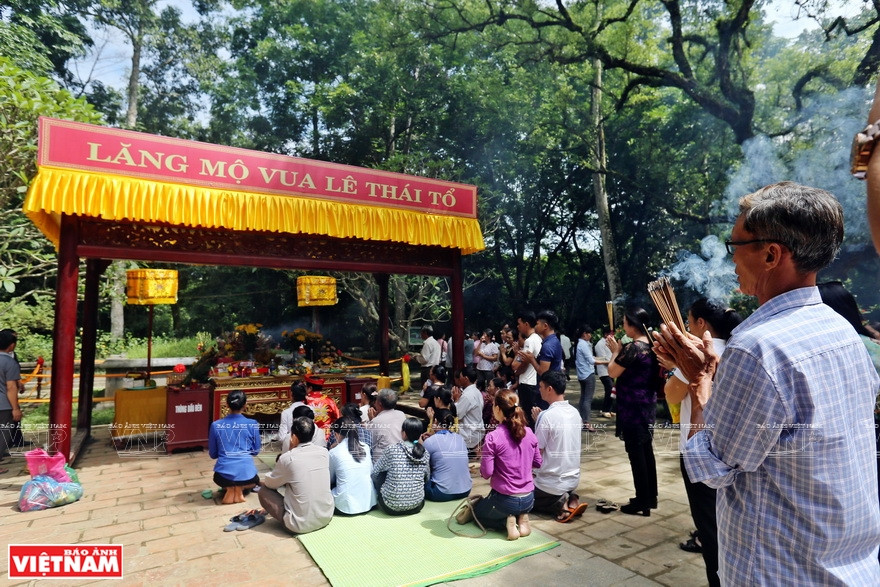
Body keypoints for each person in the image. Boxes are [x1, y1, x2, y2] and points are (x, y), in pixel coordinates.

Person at [654, 182, 880, 584]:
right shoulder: (842, 331)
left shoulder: (757, 348)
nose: (731, 259)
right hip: (847, 565)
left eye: (736, 245)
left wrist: (700, 380)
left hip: (781, 569)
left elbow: (712, 468)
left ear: (772, 254)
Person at [660, 298, 741, 587]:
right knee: (731, 524)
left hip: (701, 451)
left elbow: (670, 395)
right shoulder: (738, 348)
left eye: (689, 320)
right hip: (734, 452)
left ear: (702, 324)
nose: (686, 326)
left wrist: (674, 367)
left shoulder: (695, 355)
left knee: (710, 527)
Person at [460, 388, 541, 540]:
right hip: (529, 498)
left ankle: (506, 521)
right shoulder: (529, 432)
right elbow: (537, 462)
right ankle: (521, 519)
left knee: (479, 514)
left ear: (497, 409)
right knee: (508, 506)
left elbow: (486, 473)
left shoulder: (493, 437)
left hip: (504, 500)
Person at [607, 307, 658, 516]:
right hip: (647, 404)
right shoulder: (652, 346)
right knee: (646, 451)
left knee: (636, 454)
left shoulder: (633, 348)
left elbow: (612, 372)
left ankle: (642, 501)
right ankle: (649, 496)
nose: (623, 327)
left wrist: (614, 352)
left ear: (633, 325)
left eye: (625, 323)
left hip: (632, 406)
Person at [259, 416, 334, 534]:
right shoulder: (324, 452)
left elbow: (270, 483)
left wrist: (290, 450)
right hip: (326, 517)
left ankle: (290, 518)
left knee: (264, 491)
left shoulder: (288, 458)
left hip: (299, 524)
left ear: (293, 437)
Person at [530, 370, 584, 522]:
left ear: (549, 389)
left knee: (521, 498)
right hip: (572, 479)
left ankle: (560, 504)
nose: (539, 390)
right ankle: (571, 497)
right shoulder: (575, 413)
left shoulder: (546, 416)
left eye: (541, 387)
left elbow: (537, 453)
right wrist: (540, 419)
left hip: (551, 482)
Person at [208, 390, 261, 504]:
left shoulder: (216, 425)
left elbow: (213, 454)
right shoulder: (252, 424)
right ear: (245, 405)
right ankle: (239, 488)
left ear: (226, 405)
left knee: (218, 477)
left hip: (223, 477)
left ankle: (231, 488)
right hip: (248, 476)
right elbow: (256, 451)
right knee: (256, 480)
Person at [371, 417, 430, 515]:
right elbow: (426, 478)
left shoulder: (392, 450)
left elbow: (375, 473)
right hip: (417, 505)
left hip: (390, 507)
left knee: (382, 473)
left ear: (404, 433)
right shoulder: (425, 453)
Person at [328, 416, 376, 515]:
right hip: (369, 502)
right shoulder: (365, 447)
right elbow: (371, 472)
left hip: (345, 507)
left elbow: (330, 479)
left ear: (336, 434)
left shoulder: (334, 452)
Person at [422, 409, 472, 502]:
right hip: (465, 490)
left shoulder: (430, 441)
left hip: (441, 493)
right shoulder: (459, 438)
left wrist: (421, 444)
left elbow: (422, 464)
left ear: (435, 421)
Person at [512, 310, 543, 426]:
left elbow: (519, 365)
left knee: (528, 418)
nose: (518, 327)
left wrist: (516, 372)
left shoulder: (529, 341)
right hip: (533, 382)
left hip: (527, 383)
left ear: (526, 324)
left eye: (519, 324)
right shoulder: (538, 339)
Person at [364, 388, 407, 463]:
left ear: (379, 404)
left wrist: (372, 420)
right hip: (400, 457)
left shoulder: (376, 421)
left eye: (376, 400)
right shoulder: (401, 414)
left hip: (383, 462)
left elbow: (370, 443)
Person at [517, 309, 564, 378]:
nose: (535, 326)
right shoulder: (554, 340)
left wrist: (532, 360)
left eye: (537, 324)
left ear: (545, 326)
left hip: (548, 384)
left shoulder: (548, 345)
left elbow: (543, 372)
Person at [0, 330, 22, 473]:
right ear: (12, 346)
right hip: (3, 405)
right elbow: (11, 387)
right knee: (3, 434)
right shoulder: (9, 362)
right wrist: (15, 408)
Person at [452, 366, 483, 457]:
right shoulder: (477, 391)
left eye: (460, 377)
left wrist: (456, 400)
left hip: (469, 432)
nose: (459, 379)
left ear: (466, 378)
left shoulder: (467, 395)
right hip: (477, 428)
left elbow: (457, 414)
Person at [304, 375, 340, 441]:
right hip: (326, 435)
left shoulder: (305, 400)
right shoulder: (329, 401)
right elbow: (337, 416)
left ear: (310, 388)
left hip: (309, 435)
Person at [574, 324, 596, 428]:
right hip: (588, 374)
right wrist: (606, 361)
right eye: (589, 333)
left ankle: (582, 420)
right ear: (584, 334)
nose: (590, 335)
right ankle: (586, 422)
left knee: (583, 398)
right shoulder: (583, 344)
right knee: (587, 399)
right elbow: (591, 361)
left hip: (582, 374)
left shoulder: (579, 343)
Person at [277, 381, 307, 446]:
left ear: (291, 394)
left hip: (292, 446)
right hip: (310, 446)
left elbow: (282, 437)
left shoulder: (286, 413)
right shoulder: (311, 409)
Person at [594, 331, 615, 418]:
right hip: (604, 371)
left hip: (611, 369)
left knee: (612, 390)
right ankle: (605, 410)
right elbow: (603, 358)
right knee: (609, 389)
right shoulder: (600, 344)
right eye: (611, 334)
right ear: (606, 334)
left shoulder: (610, 343)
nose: (613, 336)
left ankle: (608, 409)